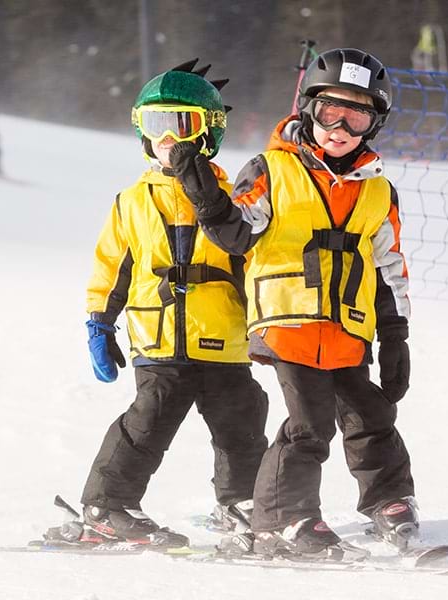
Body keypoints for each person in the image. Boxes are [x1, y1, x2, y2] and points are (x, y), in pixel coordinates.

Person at [175, 48, 417, 559]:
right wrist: (207, 199)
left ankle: (389, 500)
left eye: (358, 115)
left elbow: (389, 268)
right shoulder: (271, 169)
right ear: (309, 108)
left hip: (349, 327)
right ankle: (284, 519)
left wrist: (395, 337)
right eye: (332, 111)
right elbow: (238, 235)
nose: (342, 127)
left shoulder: (378, 191)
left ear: (374, 124)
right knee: (310, 424)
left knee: (371, 414)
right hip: (289, 319)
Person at [74, 59, 269, 547]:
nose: (168, 139)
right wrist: (100, 322)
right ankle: (107, 505)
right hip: (159, 338)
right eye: (155, 125)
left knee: (242, 422)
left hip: (224, 337)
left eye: (181, 124)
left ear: (209, 132)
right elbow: (110, 268)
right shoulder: (133, 201)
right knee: (147, 422)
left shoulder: (236, 198)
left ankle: (242, 503)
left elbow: (258, 262)